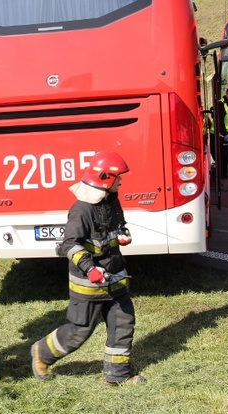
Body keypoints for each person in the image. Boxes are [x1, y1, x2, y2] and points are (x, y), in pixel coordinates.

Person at [30, 151, 145, 386]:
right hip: (88, 284)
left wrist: (122, 235)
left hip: (115, 277)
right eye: (118, 178)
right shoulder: (81, 210)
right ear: (105, 179)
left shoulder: (111, 200)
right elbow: (69, 245)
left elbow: (118, 225)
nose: (121, 181)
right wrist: (90, 268)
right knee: (79, 331)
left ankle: (117, 375)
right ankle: (41, 353)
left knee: (123, 323)